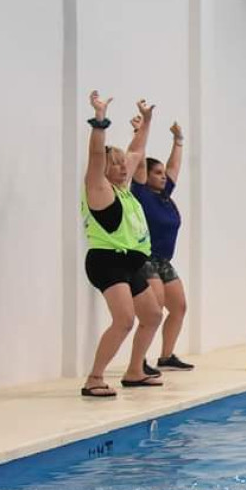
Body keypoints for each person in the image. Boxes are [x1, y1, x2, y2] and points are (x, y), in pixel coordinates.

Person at [80, 91, 164, 397]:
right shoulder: (98, 188)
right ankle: (94, 378)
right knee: (125, 320)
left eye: (122, 165)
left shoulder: (123, 190)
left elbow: (137, 152)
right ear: (103, 170)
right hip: (106, 260)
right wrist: (99, 121)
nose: (123, 168)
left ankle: (134, 371)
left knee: (153, 316)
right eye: (115, 165)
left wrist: (148, 121)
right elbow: (95, 156)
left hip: (130, 262)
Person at [132, 120, 193, 374]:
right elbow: (137, 160)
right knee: (152, 312)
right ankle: (139, 361)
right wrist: (140, 130)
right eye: (157, 173)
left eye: (162, 173)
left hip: (164, 261)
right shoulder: (141, 194)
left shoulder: (164, 195)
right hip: (145, 259)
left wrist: (178, 140)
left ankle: (166, 356)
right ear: (145, 175)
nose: (163, 176)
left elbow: (174, 166)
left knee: (179, 308)